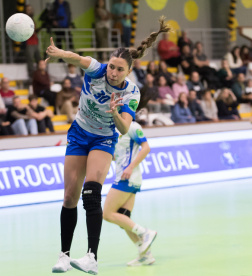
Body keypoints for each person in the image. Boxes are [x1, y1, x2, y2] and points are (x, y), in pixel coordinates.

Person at [49, 17, 170, 274]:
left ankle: (91, 257)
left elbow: (125, 127)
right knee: (70, 196)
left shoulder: (131, 93)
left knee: (91, 193)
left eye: (119, 70)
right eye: (112, 67)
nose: (113, 73)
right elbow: (78, 58)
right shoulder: (96, 70)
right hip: (79, 134)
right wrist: (60, 53)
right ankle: (64, 255)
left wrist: (114, 112)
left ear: (128, 72)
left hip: (103, 138)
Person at [103, 121, 155, 267]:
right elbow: (117, 155)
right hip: (125, 177)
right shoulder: (111, 128)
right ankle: (145, 255)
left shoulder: (133, 126)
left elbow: (146, 148)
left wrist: (131, 167)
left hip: (127, 177)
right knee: (123, 218)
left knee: (107, 214)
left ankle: (145, 233)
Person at [25, 5, 42, 78]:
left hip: (35, 42)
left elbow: (34, 32)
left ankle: (40, 74)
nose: (30, 11)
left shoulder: (33, 20)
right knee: (30, 60)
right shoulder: (25, 20)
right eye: (28, 9)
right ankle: (31, 77)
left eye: (31, 9)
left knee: (39, 59)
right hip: (29, 43)